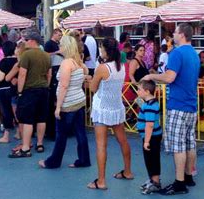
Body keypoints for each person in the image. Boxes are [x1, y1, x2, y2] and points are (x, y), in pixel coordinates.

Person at [142, 23, 200, 195]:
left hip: (178, 105)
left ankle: (179, 182)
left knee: (178, 145)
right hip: (191, 105)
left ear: (181, 34)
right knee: (190, 143)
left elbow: (169, 77)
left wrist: (151, 75)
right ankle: (188, 176)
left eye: (175, 32)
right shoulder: (194, 54)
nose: (172, 35)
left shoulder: (177, 53)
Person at [87, 37, 133, 190]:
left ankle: (101, 180)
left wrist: (88, 79)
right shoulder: (121, 67)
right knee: (123, 141)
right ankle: (127, 171)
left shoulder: (102, 68)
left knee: (101, 145)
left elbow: (93, 88)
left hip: (102, 108)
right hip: (116, 107)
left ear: (106, 50)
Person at [39, 36, 91, 169]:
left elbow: (63, 85)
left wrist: (58, 106)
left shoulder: (66, 63)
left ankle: (53, 161)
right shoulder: (77, 61)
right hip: (79, 100)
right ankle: (84, 159)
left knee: (61, 134)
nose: (58, 47)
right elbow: (85, 73)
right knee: (80, 132)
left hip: (68, 103)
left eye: (61, 45)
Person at [8, 31, 51, 158]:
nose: (25, 42)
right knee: (41, 118)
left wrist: (20, 91)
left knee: (27, 119)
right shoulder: (46, 55)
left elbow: (22, 74)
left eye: (26, 40)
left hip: (29, 90)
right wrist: (46, 85)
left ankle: (26, 147)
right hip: (43, 89)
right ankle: (40, 143)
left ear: (32, 40)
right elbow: (49, 74)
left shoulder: (27, 55)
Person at [136, 80, 162, 195]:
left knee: (152, 159)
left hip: (152, 137)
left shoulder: (150, 106)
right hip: (150, 137)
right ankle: (152, 179)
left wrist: (147, 141)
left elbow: (149, 124)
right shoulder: (148, 104)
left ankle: (155, 182)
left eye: (139, 89)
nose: (137, 92)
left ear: (146, 91)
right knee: (149, 159)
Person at [0, 41, 18, 143]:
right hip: (15, 88)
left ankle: (6, 136)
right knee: (16, 111)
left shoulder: (3, 62)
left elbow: (0, 78)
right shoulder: (18, 61)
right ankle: (19, 132)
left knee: (6, 112)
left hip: (3, 89)